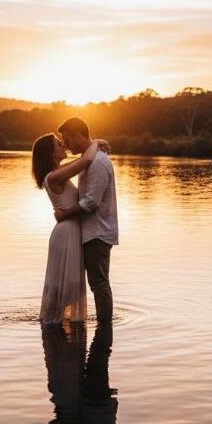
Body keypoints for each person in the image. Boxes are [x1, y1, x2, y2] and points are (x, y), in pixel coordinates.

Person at [31, 133, 102, 324]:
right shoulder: (54, 177)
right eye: (58, 143)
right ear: (50, 153)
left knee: (68, 287)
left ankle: (55, 326)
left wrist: (93, 146)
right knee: (66, 287)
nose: (63, 144)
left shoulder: (58, 173)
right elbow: (86, 160)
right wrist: (95, 142)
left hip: (70, 230)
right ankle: (54, 328)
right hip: (67, 233)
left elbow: (82, 160)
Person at [54, 117, 119, 324]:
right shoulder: (89, 159)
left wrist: (65, 214)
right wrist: (96, 143)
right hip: (90, 232)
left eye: (68, 139)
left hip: (98, 233)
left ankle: (104, 327)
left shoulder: (98, 162)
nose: (66, 144)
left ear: (78, 136)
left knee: (99, 284)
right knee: (95, 283)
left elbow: (91, 202)